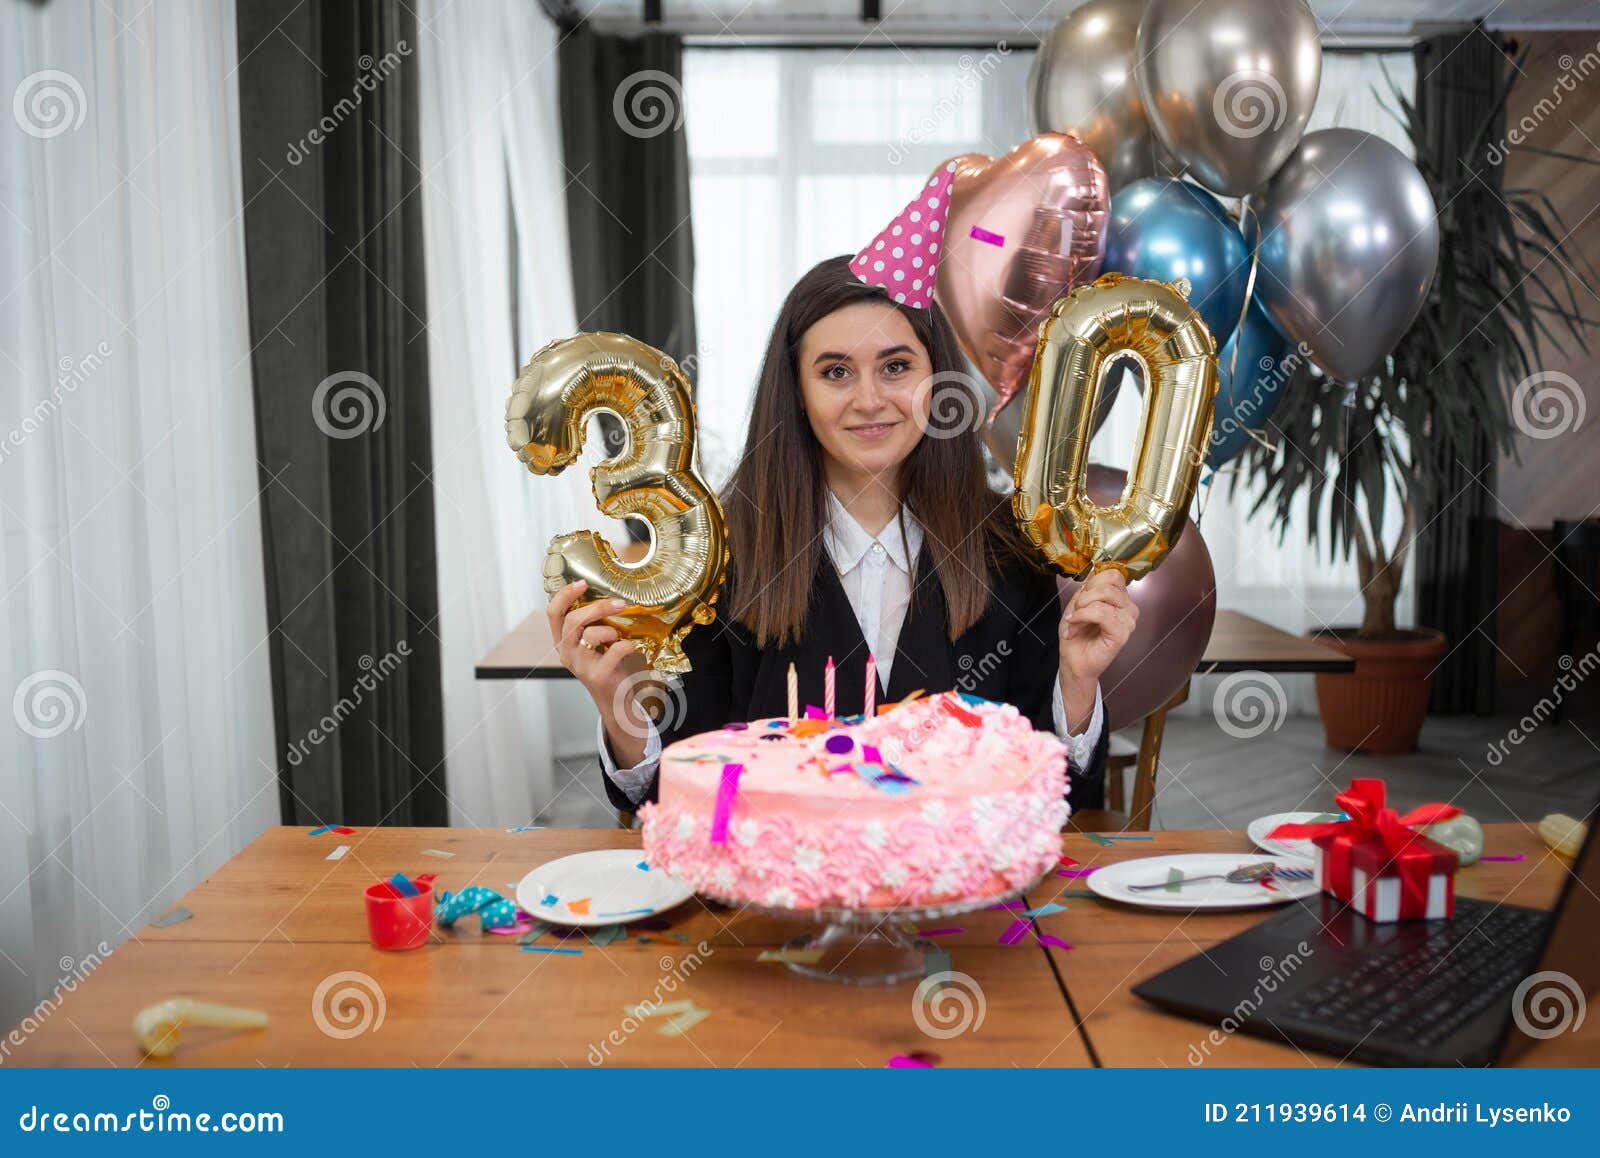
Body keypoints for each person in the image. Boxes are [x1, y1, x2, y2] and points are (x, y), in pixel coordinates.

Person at [550, 255, 1138, 819]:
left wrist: (1078, 682)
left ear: (938, 379)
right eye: (835, 372)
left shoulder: (1008, 545)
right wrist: (617, 701)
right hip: (776, 904)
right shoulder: (724, 553)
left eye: (896, 366)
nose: (869, 400)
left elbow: (1058, 785)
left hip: (959, 908)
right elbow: (670, 789)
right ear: (797, 392)